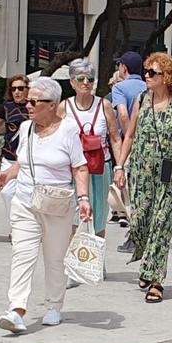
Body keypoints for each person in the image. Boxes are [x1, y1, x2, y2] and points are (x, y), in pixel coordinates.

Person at [0, 77, 91, 333]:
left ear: (52, 104)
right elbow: (22, 163)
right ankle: (16, 310)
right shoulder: (25, 128)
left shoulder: (68, 130)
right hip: (25, 201)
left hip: (57, 205)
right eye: (28, 100)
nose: (28, 105)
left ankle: (53, 306)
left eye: (35, 101)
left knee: (55, 258)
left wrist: (83, 199)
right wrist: (7, 175)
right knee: (22, 255)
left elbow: (79, 167)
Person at [115, 53, 172, 302]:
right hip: (141, 171)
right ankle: (147, 262)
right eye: (147, 71)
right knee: (140, 222)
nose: (147, 76)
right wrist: (120, 166)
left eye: (153, 73)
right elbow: (129, 135)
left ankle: (156, 280)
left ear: (167, 77)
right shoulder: (142, 98)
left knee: (161, 225)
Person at [58, 59, 123, 241]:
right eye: (81, 79)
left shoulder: (104, 106)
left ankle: (97, 261)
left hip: (100, 167)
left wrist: (120, 168)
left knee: (99, 215)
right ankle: (75, 263)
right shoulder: (64, 107)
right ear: (72, 82)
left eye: (90, 79)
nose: (86, 83)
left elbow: (115, 138)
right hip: (74, 169)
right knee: (74, 216)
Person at [112, 51, 147, 252]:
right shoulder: (148, 87)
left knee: (130, 192)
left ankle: (135, 236)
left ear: (124, 67)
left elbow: (123, 115)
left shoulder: (120, 88)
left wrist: (129, 138)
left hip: (132, 144)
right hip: (150, 145)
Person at [0, 75, 30, 236]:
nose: (17, 92)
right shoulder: (6, 107)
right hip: (9, 156)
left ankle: (23, 229)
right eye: (14, 89)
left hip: (29, 159)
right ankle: (15, 226)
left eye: (21, 88)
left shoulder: (35, 107)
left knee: (27, 194)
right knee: (6, 192)